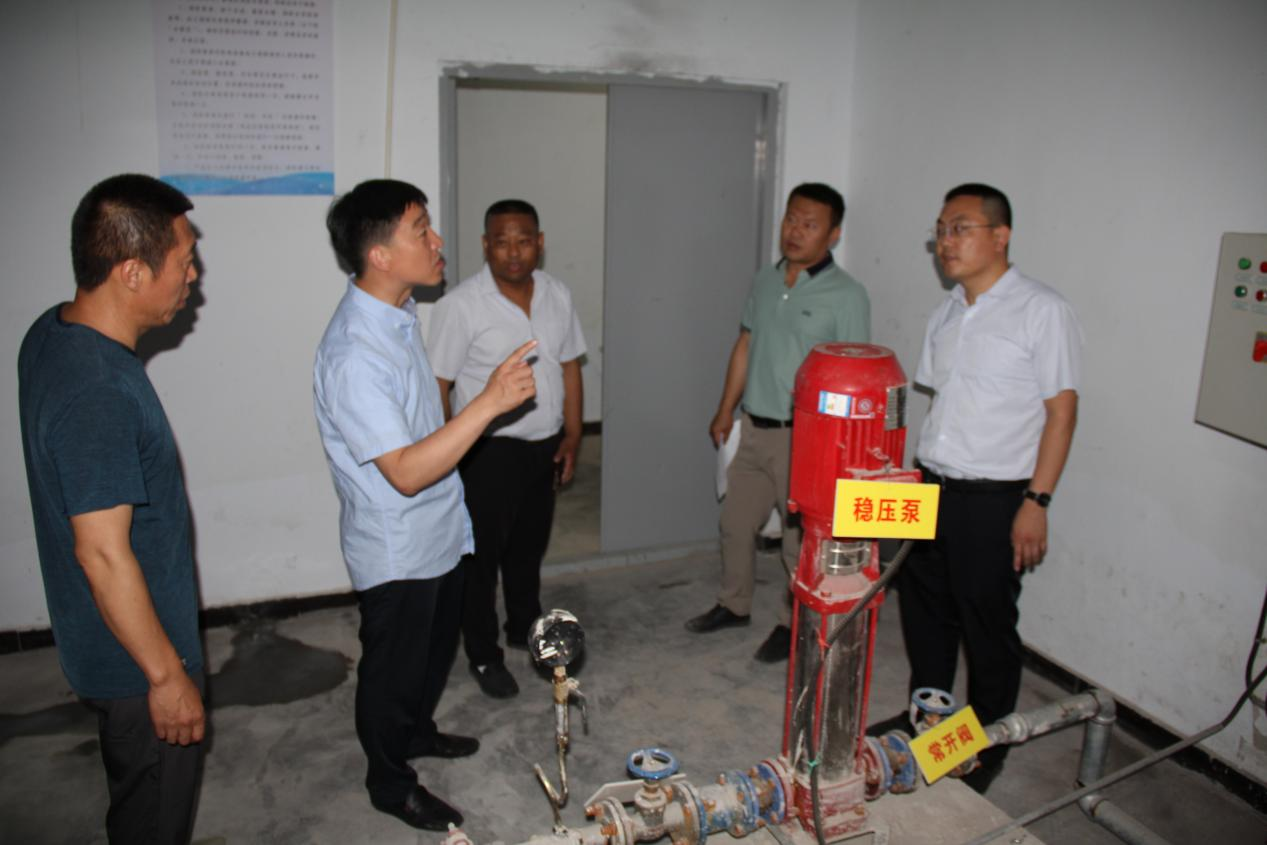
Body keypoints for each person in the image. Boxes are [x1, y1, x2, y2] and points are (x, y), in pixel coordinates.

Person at [313, 180, 536, 830]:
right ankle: (389, 781)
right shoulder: (354, 352)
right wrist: (489, 403)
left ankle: (415, 732)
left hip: (440, 528)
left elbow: (423, 428)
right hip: (398, 547)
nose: (437, 241)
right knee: (391, 673)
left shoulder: (399, 311)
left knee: (431, 656)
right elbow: (406, 472)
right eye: (421, 230)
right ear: (379, 254)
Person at [18, 173, 206, 844]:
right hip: (137, 665)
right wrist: (167, 677)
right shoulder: (97, 390)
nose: (193, 277)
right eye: (184, 261)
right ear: (132, 272)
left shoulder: (53, 331)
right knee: (152, 819)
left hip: (104, 640)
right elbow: (101, 552)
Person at [883, 183, 1082, 792]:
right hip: (931, 485)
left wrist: (1036, 502)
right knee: (925, 614)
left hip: (995, 498)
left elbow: (1061, 412)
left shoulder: (1041, 310)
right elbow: (944, 404)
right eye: (940, 231)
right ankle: (929, 722)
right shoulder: (946, 312)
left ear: (1000, 236)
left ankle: (986, 744)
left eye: (960, 228)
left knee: (987, 624)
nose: (946, 242)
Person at [686, 183, 871, 662]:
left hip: (805, 439)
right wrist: (725, 409)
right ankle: (734, 604)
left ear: (833, 234)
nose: (795, 231)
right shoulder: (765, 281)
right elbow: (746, 345)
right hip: (754, 426)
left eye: (810, 224)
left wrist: (839, 452)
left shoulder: (847, 295)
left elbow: (854, 375)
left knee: (798, 542)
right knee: (735, 523)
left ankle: (795, 626)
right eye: (792, 219)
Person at [428, 199, 586, 699]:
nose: (513, 252)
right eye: (501, 241)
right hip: (488, 452)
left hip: (544, 446)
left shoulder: (557, 294)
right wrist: (448, 454)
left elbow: (569, 367)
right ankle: (482, 653)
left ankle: (523, 626)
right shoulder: (461, 305)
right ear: (485, 245)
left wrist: (573, 434)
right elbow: (439, 384)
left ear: (540, 243)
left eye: (523, 240)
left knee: (528, 547)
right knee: (480, 560)